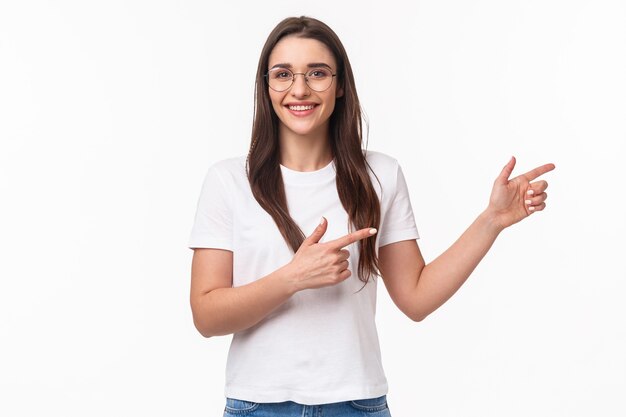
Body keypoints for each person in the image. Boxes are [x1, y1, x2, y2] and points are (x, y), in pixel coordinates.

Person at [188, 16, 555, 417]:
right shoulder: (228, 181)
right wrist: (293, 278)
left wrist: (492, 220)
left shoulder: (380, 175)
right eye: (283, 74)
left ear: (340, 84)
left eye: (317, 73)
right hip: (258, 404)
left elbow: (416, 298)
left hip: (355, 403)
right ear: (266, 86)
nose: (299, 89)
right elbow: (206, 316)